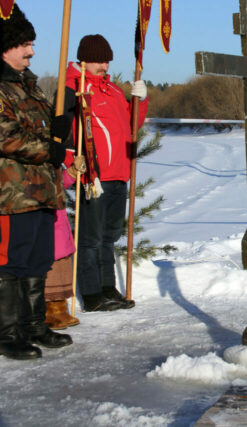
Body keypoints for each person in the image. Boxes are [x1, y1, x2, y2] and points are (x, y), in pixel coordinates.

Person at [0, 4, 73, 360]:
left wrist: (61, 125)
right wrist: (50, 148)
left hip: (43, 190)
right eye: (23, 44)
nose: (31, 50)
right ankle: (8, 332)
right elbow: (7, 136)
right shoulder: (1, 88)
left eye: (32, 43)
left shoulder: (30, 87)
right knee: (12, 263)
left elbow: (47, 131)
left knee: (38, 261)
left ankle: (33, 325)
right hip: (12, 194)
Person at [64, 34, 148, 312]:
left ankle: (107, 288)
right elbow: (62, 133)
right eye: (99, 60)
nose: (104, 65)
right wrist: (71, 163)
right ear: (84, 60)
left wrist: (141, 100)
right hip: (93, 178)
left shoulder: (111, 91)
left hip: (118, 175)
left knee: (109, 235)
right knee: (90, 238)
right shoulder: (72, 89)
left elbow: (131, 124)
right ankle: (90, 294)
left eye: (107, 60)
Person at [44, 155, 86, 330]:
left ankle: (60, 309)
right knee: (48, 271)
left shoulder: (49, 164)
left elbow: (59, 185)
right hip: (46, 220)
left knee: (61, 269)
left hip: (59, 220)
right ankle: (46, 313)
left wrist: (72, 172)